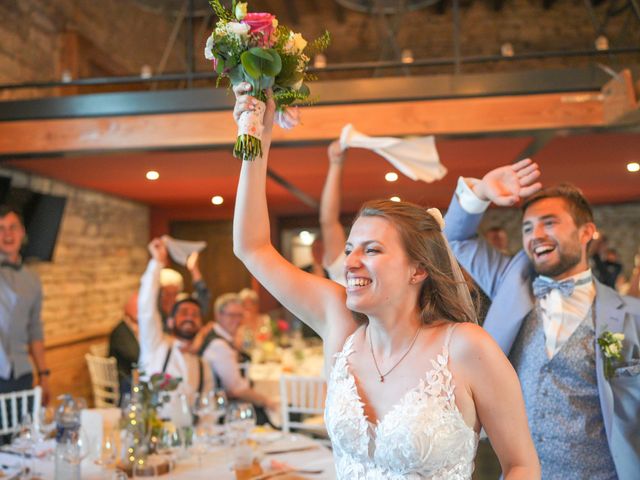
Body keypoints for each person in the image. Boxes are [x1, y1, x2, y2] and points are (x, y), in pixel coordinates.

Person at [231, 84, 540, 479]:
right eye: (349, 248)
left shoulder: (464, 347)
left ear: (418, 269)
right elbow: (252, 247)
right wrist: (255, 134)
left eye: (372, 250)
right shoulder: (339, 324)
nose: (351, 262)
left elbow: (521, 464)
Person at [443, 159, 640, 479]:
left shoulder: (631, 316)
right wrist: (479, 192)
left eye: (549, 223)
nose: (536, 235)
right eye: (527, 228)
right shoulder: (510, 282)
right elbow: (455, 239)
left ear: (587, 231)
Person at [138, 238, 214, 408]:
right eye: (184, 313)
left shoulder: (204, 366)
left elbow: (207, 412)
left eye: (195, 315)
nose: (190, 317)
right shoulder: (156, 346)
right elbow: (146, 310)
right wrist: (157, 262)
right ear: (171, 322)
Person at [201, 293, 277, 424]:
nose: (237, 320)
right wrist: (267, 402)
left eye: (239, 315)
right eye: (231, 315)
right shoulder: (219, 346)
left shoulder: (223, 338)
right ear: (219, 315)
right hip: (228, 415)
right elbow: (237, 389)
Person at [0, 206, 50, 406]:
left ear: (22, 232)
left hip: (22, 374)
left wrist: (44, 374)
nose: (7, 234)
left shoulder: (32, 279)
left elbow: (35, 330)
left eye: (13, 227)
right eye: (1, 228)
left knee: (24, 435)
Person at [158, 251, 212, 331]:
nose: (170, 297)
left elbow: (203, 296)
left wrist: (194, 269)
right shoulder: (154, 311)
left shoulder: (182, 305)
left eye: (174, 293)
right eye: (167, 293)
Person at [108, 291, 140, 401]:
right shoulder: (120, 332)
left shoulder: (139, 327)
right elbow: (135, 357)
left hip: (137, 377)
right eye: (139, 306)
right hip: (125, 381)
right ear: (128, 308)